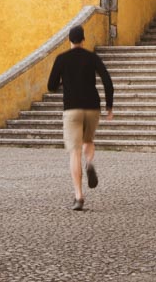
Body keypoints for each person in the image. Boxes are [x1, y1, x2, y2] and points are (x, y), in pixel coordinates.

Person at [46, 25, 113, 211]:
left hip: (72, 109)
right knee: (88, 141)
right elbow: (107, 81)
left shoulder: (62, 59)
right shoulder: (92, 58)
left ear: (69, 40)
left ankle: (79, 196)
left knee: (74, 152)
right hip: (92, 107)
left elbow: (51, 86)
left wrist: (64, 82)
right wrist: (109, 106)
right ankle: (89, 162)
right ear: (83, 40)